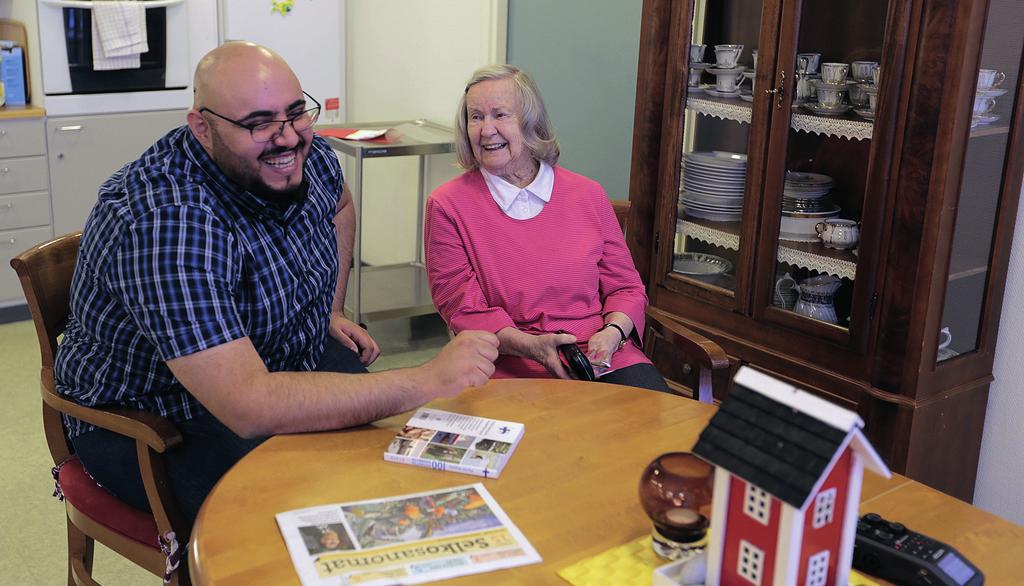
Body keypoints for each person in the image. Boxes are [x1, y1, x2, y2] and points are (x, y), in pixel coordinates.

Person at [53, 42, 498, 524]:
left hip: (277, 358)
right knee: (312, 519)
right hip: (157, 417)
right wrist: (428, 378)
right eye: (258, 123)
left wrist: (330, 309)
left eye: (294, 114)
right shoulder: (167, 222)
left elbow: (339, 205)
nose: (287, 139)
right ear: (202, 128)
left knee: (400, 466)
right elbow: (248, 405)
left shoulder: (306, 155)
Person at [424, 64, 669, 392]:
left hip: (602, 357)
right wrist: (532, 347)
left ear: (530, 121)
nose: (486, 130)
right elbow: (464, 309)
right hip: (506, 362)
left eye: (500, 114)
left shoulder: (588, 194)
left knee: (661, 435)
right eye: (476, 117)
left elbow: (626, 288)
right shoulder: (447, 205)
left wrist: (613, 333)